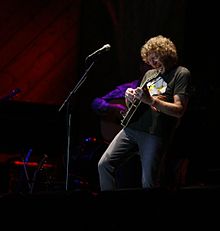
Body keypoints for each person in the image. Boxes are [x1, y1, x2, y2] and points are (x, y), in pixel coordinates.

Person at [97, 35, 192, 191]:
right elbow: (136, 105)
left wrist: (151, 101)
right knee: (105, 165)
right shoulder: (150, 75)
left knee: (149, 183)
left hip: (154, 133)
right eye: (149, 60)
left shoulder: (180, 73)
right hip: (132, 128)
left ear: (165, 52)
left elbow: (179, 110)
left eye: (154, 58)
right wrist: (130, 98)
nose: (151, 63)